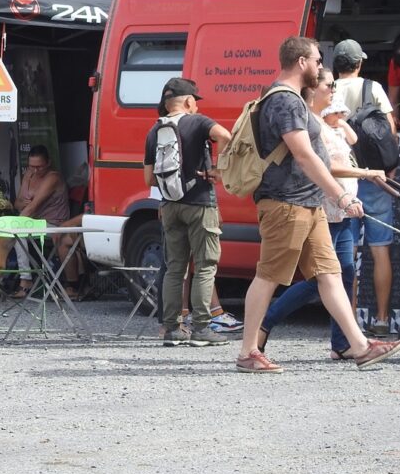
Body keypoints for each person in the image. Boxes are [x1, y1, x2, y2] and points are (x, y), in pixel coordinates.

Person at [235, 36, 399, 373]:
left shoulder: (292, 100)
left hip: (307, 204)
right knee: (268, 277)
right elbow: (304, 154)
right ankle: (248, 351)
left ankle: (359, 346)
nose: (322, 66)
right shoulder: (285, 101)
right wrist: (340, 194)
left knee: (330, 274)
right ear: (301, 63)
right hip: (286, 203)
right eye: (317, 61)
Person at [143, 77, 232, 347]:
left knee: (174, 268)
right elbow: (225, 136)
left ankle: (172, 329)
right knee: (205, 266)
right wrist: (218, 169)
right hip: (199, 202)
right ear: (190, 101)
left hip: (169, 205)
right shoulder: (199, 121)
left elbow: (149, 178)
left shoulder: (154, 130)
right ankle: (202, 328)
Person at [333, 38, 397, 336]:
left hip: (342, 180)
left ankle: (350, 324)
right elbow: (389, 130)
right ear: (359, 63)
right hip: (374, 178)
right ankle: (382, 319)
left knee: (348, 251)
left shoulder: (327, 90)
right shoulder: (372, 88)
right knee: (380, 249)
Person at [11, 145, 72, 296]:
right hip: (34, 222)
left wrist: (16, 222)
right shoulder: (29, 175)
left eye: (39, 167)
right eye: (32, 166)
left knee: (18, 232)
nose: (35, 170)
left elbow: (33, 206)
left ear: (48, 163)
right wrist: (23, 206)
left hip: (54, 224)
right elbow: (17, 203)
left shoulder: (53, 177)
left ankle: (25, 280)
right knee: (11, 232)